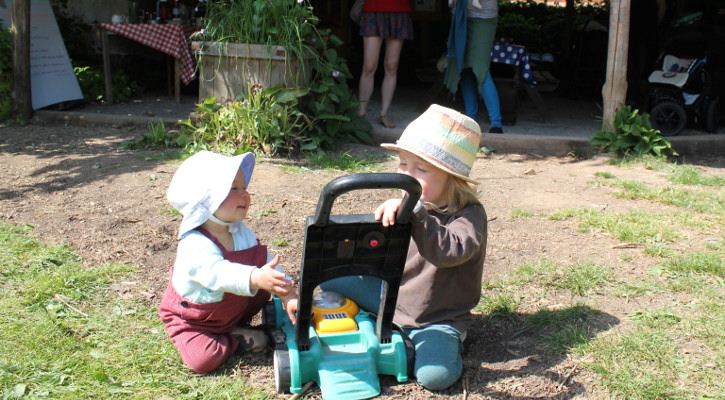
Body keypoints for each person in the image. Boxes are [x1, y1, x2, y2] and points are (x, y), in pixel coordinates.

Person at [322, 104, 488, 391]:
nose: (407, 176)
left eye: (421, 169)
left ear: (453, 178)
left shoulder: (469, 215)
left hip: (436, 318)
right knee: (329, 276)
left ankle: (438, 343)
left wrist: (417, 212)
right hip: (394, 296)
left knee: (435, 377)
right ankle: (385, 325)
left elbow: (449, 253)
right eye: (402, 164)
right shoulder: (409, 206)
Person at [159, 151, 299, 374]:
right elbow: (218, 273)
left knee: (262, 277)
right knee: (202, 359)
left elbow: (266, 261)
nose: (244, 194)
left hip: (231, 309)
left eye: (243, 187)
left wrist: (288, 295)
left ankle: (237, 326)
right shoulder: (194, 244)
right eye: (233, 188)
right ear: (205, 200)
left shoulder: (239, 231)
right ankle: (236, 338)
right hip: (197, 322)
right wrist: (256, 277)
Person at [444, 0, 504, 134]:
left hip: (484, 17)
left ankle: (496, 124)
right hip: (460, 14)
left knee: (481, 68)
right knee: (464, 69)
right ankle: (471, 120)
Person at [356, 0, 414, 129]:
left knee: (392, 65)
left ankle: (384, 113)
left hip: (398, 10)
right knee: (369, 65)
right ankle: (361, 112)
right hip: (374, 9)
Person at [627, 0, 667, 109]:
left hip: (645, 32)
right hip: (638, 31)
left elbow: (662, 7)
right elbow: (662, 8)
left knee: (640, 66)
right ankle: (634, 98)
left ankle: (638, 98)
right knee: (635, 66)